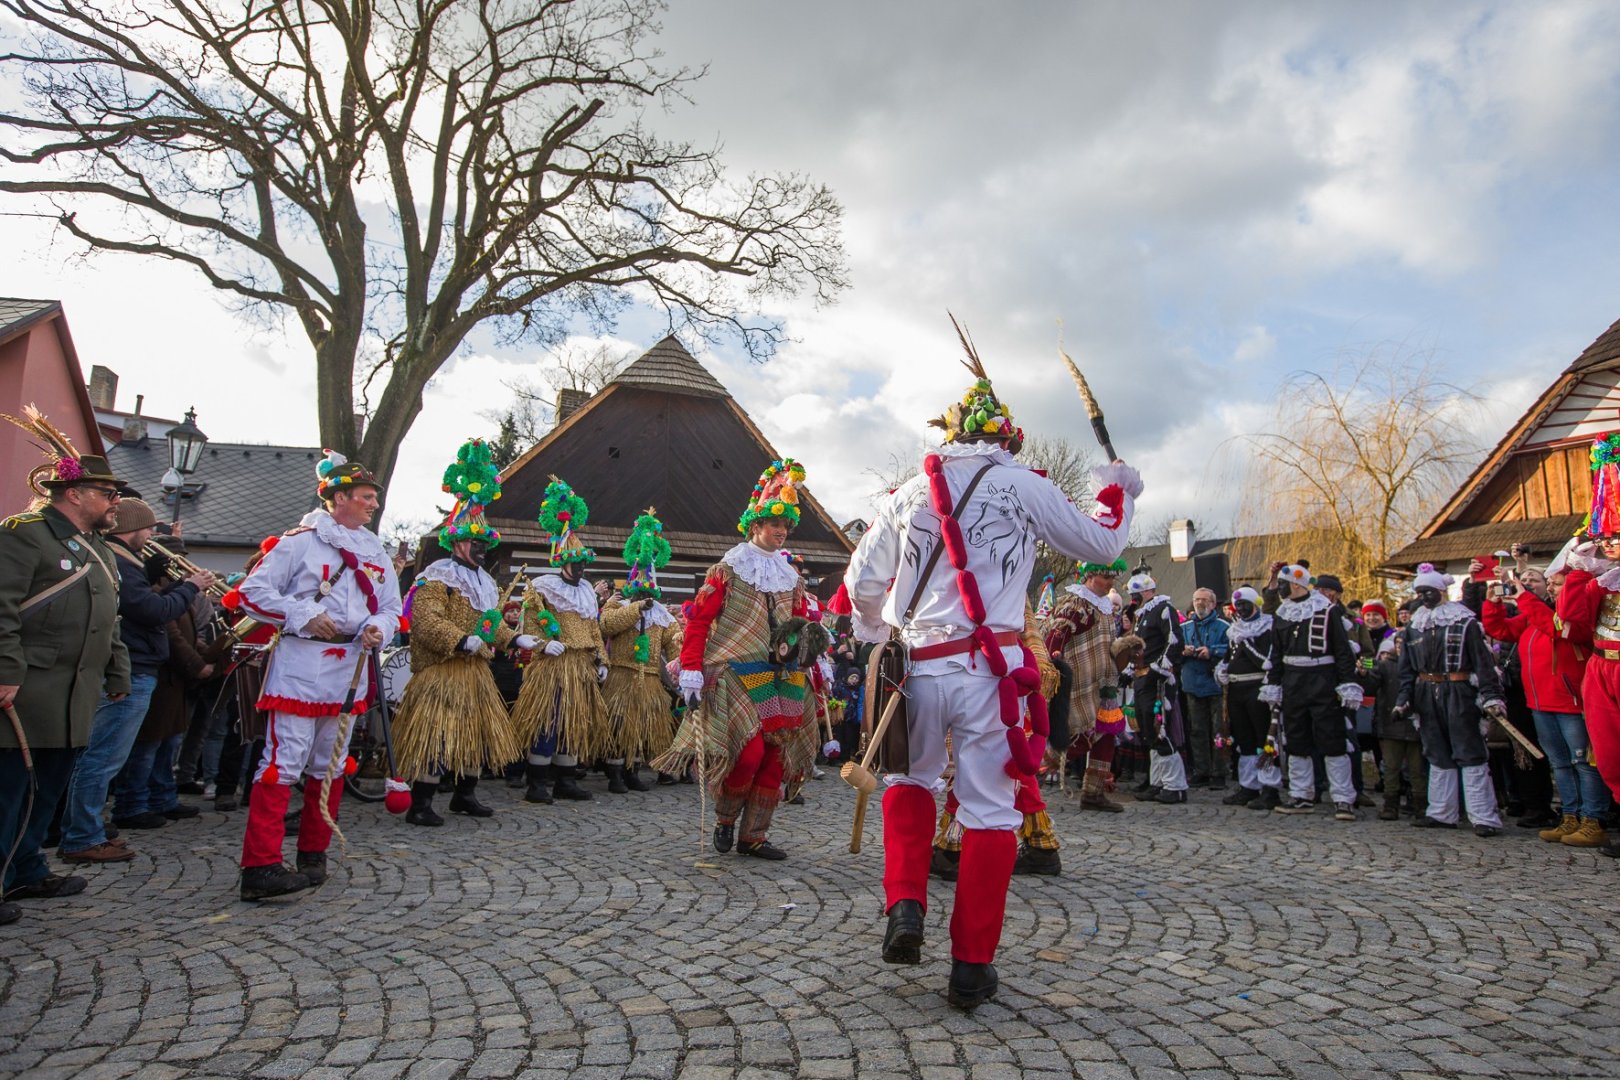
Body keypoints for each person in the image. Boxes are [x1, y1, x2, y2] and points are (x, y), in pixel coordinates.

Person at [845, 330, 1138, 1009]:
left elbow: (862, 583)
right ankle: (971, 968)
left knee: (909, 780)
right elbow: (1103, 544)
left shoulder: (907, 493)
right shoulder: (1024, 486)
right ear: (1007, 437)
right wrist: (1116, 490)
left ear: (951, 433)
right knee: (989, 812)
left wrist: (875, 630)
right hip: (990, 675)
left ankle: (906, 906)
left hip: (916, 670)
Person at [233, 451, 402, 900]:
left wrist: (378, 627)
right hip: (301, 667)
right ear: (339, 497)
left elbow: (391, 608)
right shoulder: (300, 542)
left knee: (330, 764)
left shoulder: (376, 551)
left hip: (349, 668)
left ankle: (314, 852)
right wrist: (303, 613)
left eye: (374, 498)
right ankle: (260, 867)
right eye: (365, 496)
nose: (374, 504)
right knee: (283, 762)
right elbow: (251, 593)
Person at [653, 460, 826, 860]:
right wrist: (691, 668)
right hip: (735, 670)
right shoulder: (728, 569)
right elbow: (699, 621)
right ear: (756, 525)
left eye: (786, 527)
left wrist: (809, 649)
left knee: (775, 757)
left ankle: (755, 836)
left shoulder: (791, 577)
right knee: (748, 754)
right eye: (774, 525)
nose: (781, 532)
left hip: (781, 676)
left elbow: (799, 624)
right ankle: (726, 820)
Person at [0, 413, 131, 921]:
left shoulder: (99, 550)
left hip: (74, 693)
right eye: (107, 493)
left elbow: (108, 619)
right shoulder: (24, 534)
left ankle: (27, 868)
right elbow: (2, 607)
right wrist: (5, 669)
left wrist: (117, 672)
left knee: (47, 790)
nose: (115, 502)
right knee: (9, 790)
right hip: (28, 687)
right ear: (73, 494)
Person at [60, 497, 214, 863]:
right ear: (133, 528)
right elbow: (151, 611)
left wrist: (161, 580)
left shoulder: (127, 563)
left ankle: (85, 831)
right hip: (131, 668)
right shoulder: (120, 563)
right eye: (147, 528)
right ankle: (83, 835)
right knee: (104, 758)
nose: (151, 536)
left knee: (106, 757)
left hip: (138, 666)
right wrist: (189, 586)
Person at [391, 439, 530, 825]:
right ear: (456, 541)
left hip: (477, 672)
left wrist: (514, 638)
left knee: (476, 733)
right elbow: (425, 620)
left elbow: (491, 623)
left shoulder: (486, 583)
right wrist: (460, 639)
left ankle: (465, 795)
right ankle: (421, 803)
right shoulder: (437, 577)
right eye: (475, 541)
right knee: (435, 734)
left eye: (485, 542)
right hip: (443, 670)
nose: (482, 548)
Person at [512, 477, 608, 804]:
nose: (580, 567)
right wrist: (542, 645)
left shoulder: (587, 592)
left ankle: (566, 780)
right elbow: (530, 623)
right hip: (554, 665)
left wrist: (601, 660)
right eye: (575, 562)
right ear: (562, 561)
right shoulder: (543, 588)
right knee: (548, 720)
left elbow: (594, 630)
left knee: (573, 720)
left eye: (583, 563)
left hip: (581, 666)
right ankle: (537, 783)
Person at [1394, 563, 1506, 836]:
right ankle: (1441, 813)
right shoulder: (1414, 627)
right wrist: (1403, 699)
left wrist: (1491, 696)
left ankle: (1483, 817)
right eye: (1420, 592)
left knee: (1469, 751)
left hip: (1459, 692)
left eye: (1429, 591)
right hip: (1426, 694)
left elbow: (1483, 663)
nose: (1424, 597)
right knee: (1437, 752)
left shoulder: (1464, 622)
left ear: (1441, 591)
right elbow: (1406, 670)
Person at [1261, 564, 1362, 820]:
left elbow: (1342, 651)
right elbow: (1276, 652)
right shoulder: (1283, 613)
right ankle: (1301, 794)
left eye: (1283, 584)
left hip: (1322, 680)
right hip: (1293, 681)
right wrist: (1274, 683)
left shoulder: (1327, 611)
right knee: (1296, 740)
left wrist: (1347, 683)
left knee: (1332, 739)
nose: (1280, 589)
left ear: (1296, 584)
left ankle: (1342, 798)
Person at [599, 509, 683, 793]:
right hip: (622, 675)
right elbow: (607, 626)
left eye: (648, 593)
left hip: (649, 679)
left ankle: (632, 771)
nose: (644, 596)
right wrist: (636, 608)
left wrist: (681, 668)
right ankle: (614, 773)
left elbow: (674, 642)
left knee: (640, 726)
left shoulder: (662, 615)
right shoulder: (618, 605)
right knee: (618, 724)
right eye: (640, 592)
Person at [1042, 558, 1130, 812]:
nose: (1110, 583)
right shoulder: (1076, 603)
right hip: (1079, 684)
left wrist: (1125, 650)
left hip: (1102, 682)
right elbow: (1055, 636)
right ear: (1089, 577)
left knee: (1106, 734)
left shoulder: (1103, 606)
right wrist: (1055, 665)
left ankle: (1093, 793)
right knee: (1078, 737)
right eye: (1105, 577)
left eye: (1112, 578)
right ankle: (1027, 773)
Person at [1219, 586, 1282, 811]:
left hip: (1257, 688)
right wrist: (1223, 668)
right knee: (1243, 738)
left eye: (1245, 605)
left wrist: (1246, 642)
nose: (1242, 610)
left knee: (1262, 737)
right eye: (1238, 606)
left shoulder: (1266, 628)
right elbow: (1229, 656)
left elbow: (1266, 661)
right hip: (1236, 688)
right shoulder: (1235, 630)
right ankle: (1249, 785)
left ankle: (1270, 788)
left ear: (1255, 605)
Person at [1127, 573, 1187, 804]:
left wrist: (1159, 668)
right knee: (1148, 731)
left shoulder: (1164, 609)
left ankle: (1176, 786)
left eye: (1135, 595)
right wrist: (1129, 671)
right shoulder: (1143, 615)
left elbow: (1174, 640)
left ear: (1145, 591)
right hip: (1142, 678)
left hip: (1158, 680)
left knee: (1160, 728)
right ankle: (1158, 782)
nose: (1132, 599)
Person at [1180, 587, 1229, 789]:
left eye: (1205, 600)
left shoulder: (1224, 626)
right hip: (1192, 683)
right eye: (1197, 599)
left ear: (1213, 604)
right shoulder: (1185, 627)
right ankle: (1201, 770)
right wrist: (1183, 650)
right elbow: (1173, 647)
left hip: (1215, 684)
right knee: (1197, 730)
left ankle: (1219, 772)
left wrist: (1213, 651)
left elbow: (1233, 648)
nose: (1200, 603)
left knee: (1219, 730)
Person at [1371, 635, 1423, 820]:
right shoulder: (1385, 665)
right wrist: (1362, 672)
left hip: (1416, 726)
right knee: (1391, 768)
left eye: (1403, 644)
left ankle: (1420, 805)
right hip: (1391, 724)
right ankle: (1390, 805)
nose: (1400, 647)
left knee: (1417, 770)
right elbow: (1370, 676)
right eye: (1397, 644)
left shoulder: (1421, 665)